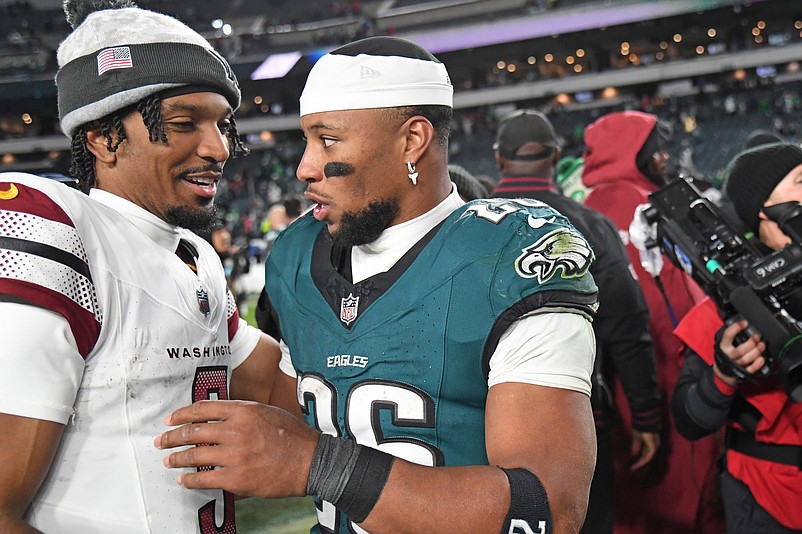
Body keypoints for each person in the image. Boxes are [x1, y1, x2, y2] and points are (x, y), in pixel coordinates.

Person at [157, 36, 600, 534]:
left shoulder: (506, 256)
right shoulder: (297, 254)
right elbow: (305, 400)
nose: (305, 166)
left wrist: (316, 465)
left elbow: (549, 509)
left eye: (328, 139)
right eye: (306, 140)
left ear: (412, 140)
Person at [0, 1, 282, 532]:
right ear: (103, 137)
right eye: (183, 123)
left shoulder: (192, 254)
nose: (218, 147)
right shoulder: (58, 231)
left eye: (223, 124)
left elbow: (271, 384)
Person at [492, 109, 661, 534]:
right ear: (555, 156)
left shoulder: (463, 224)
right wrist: (645, 417)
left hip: (484, 425)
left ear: (498, 159)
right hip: (576, 420)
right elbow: (627, 328)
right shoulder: (590, 224)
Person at [581, 110, 723, 533]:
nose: (663, 159)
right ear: (634, 153)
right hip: (662, 376)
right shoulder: (647, 208)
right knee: (679, 492)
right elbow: (672, 306)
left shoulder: (586, 207)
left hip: (607, 387)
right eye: (654, 150)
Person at [672, 142, 802, 533]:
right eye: (801, 181)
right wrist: (724, 375)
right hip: (768, 498)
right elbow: (689, 420)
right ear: (764, 209)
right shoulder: (730, 299)